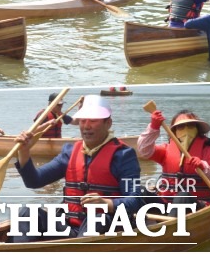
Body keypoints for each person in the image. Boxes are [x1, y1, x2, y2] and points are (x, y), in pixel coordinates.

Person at [9, 95, 142, 242]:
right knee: (27, 212)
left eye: (93, 120)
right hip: (70, 228)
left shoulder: (124, 156)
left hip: (106, 228)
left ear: (108, 123)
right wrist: (24, 152)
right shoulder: (69, 152)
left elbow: (135, 200)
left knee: (97, 219)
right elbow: (34, 181)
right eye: (83, 120)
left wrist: (106, 203)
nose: (86, 126)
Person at [137, 108, 210, 217]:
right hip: (167, 204)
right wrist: (153, 127)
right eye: (181, 127)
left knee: (182, 196)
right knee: (139, 191)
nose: (186, 130)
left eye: (191, 126)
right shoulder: (166, 149)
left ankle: (168, 228)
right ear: (174, 132)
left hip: (197, 205)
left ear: (197, 130)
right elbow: (143, 150)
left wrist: (204, 167)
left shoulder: (208, 150)